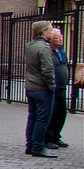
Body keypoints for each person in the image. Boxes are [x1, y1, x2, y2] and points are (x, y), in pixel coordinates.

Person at [24, 21, 56, 158]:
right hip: (42, 88)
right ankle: (38, 146)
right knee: (42, 118)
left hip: (30, 86)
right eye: (50, 29)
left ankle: (30, 145)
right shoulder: (44, 48)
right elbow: (47, 70)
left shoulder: (29, 46)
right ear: (44, 32)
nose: (52, 32)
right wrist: (52, 86)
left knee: (33, 116)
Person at [44, 28, 70, 149]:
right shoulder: (48, 51)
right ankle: (48, 138)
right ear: (51, 39)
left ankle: (56, 136)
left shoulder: (62, 51)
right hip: (53, 87)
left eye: (61, 36)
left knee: (61, 113)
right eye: (57, 37)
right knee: (51, 113)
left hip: (62, 87)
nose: (61, 39)